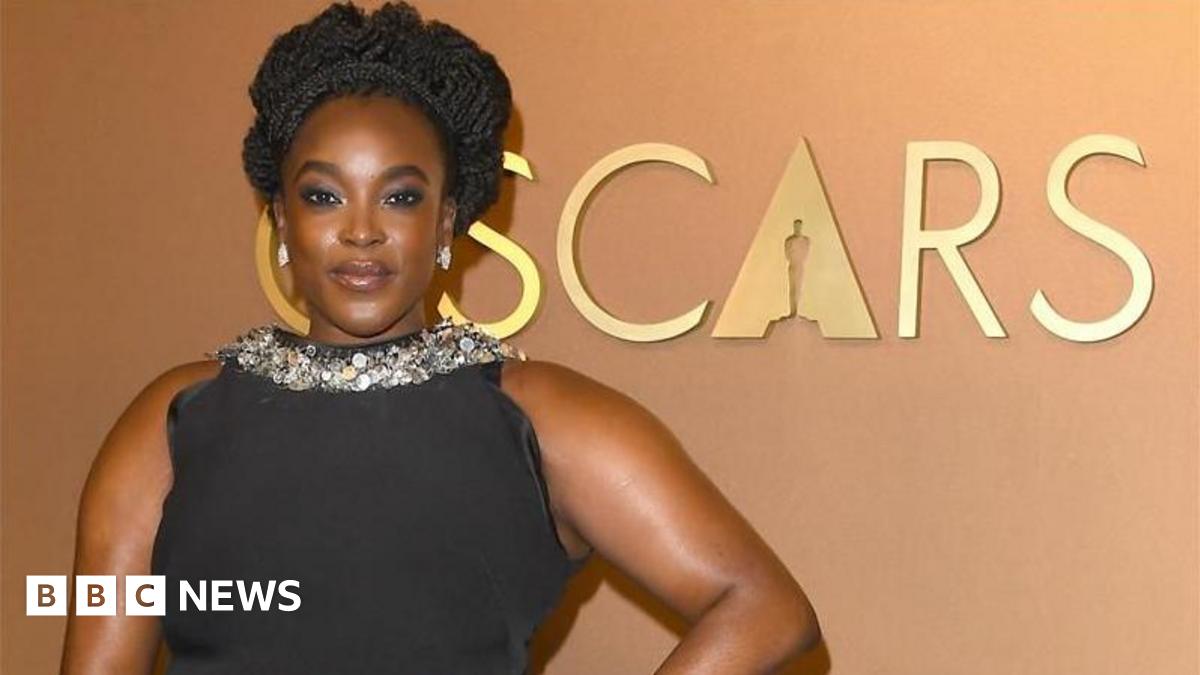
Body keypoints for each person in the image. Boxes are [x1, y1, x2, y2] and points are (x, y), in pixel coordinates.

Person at [60, 2, 821, 673]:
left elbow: (762, 607)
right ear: (281, 220)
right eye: (323, 195)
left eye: (400, 196)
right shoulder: (171, 420)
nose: (361, 231)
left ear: (446, 222)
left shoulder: (543, 420)